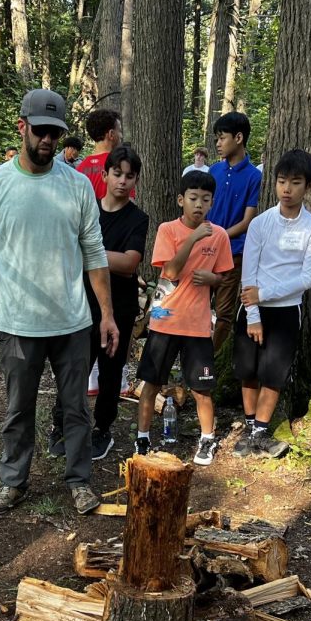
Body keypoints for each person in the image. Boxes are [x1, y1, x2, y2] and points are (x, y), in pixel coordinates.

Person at [0, 89, 117, 517]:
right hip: (18, 323)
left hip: (72, 321)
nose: (49, 139)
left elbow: (94, 253)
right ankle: (13, 482)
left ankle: (79, 480)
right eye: (41, 130)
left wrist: (106, 314)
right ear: (22, 127)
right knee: (18, 410)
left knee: (76, 408)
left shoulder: (76, 186)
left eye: (56, 132)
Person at [50, 145, 149, 462]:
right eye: (116, 173)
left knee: (110, 371)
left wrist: (89, 254)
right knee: (73, 370)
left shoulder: (138, 219)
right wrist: (96, 257)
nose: (122, 181)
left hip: (120, 307)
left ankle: (102, 429)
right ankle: (61, 426)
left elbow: (130, 263)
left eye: (129, 176)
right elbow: (66, 250)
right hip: (80, 304)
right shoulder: (86, 210)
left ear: (135, 181)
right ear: (104, 174)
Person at [135, 170, 233, 465]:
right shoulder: (168, 230)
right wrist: (193, 239)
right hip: (165, 321)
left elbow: (226, 276)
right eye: (193, 198)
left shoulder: (220, 235)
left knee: (201, 389)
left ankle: (207, 439)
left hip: (198, 325)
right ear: (181, 200)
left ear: (212, 202)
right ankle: (142, 438)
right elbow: (171, 272)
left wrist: (212, 278)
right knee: (151, 383)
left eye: (205, 199)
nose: (199, 204)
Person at [233, 149, 311, 459]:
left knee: (273, 374)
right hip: (251, 307)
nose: (287, 190)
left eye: (295, 183)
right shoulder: (260, 223)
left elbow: (306, 279)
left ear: (308, 187)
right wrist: (253, 313)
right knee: (247, 369)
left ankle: (261, 431)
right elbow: (249, 272)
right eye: (281, 181)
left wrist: (265, 294)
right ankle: (250, 427)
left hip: (287, 311)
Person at [206, 112, 263, 352]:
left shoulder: (255, 176)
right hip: (204, 250)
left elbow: (248, 220)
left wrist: (219, 236)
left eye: (222, 138)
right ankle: (191, 355)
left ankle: (209, 362)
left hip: (233, 253)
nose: (218, 144)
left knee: (224, 312)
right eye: (216, 138)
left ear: (238, 137)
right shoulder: (213, 171)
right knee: (193, 304)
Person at [75, 109, 124, 199]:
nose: (121, 135)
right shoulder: (122, 166)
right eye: (119, 131)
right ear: (111, 134)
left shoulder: (79, 169)